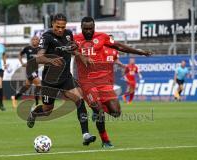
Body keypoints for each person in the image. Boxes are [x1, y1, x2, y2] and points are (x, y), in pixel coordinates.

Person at [73, 16, 152, 148]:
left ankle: (98, 108)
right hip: (86, 81)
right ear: (81, 28)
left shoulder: (102, 37)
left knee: (116, 112)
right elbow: (70, 49)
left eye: (90, 29)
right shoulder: (75, 39)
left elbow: (119, 46)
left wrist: (140, 52)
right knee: (99, 112)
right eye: (85, 29)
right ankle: (105, 140)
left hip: (103, 81)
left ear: (94, 27)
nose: (88, 31)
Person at [26, 13, 96, 146]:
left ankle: (86, 134)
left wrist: (83, 57)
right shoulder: (46, 37)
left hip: (65, 78)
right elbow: (39, 57)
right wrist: (50, 60)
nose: (60, 29)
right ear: (52, 24)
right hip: (50, 80)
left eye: (62, 27)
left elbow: (73, 50)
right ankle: (34, 113)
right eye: (57, 26)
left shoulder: (69, 34)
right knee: (47, 110)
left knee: (79, 100)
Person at [11, 36, 41, 108]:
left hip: (36, 70)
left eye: (36, 39)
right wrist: (22, 63)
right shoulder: (28, 48)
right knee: (39, 84)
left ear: (38, 41)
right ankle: (37, 104)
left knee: (27, 86)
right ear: (31, 41)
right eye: (33, 39)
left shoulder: (40, 49)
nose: (34, 40)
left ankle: (15, 97)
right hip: (29, 69)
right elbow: (20, 54)